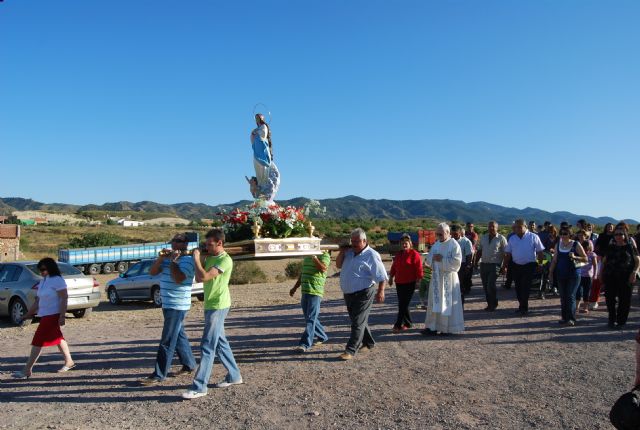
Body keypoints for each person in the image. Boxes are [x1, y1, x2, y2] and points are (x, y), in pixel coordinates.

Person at [182, 229, 242, 400]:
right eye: (206, 244)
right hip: (210, 304)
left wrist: (196, 259)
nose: (207, 247)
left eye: (210, 244)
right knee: (221, 342)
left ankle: (200, 386)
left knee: (208, 345)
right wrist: (198, 257)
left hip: (219, 305)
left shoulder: (224, 260)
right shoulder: (210, 257)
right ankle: (234, 375)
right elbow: (198, 272)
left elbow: (203, 277)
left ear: (220, 243)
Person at [141, 233, 197, 385]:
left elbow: (179, 279)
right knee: (179, 335)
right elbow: (152, 272)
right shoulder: (167, 258)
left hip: (177, 304)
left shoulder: (188, 260)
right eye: (173, 240)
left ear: (185, 244)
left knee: (167, 340)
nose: (174, 243)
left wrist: (173, 262)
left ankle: (159, 374)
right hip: (168, 303)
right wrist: (161, 259)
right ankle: (189, 364)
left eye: (178, 241)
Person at [12, 258, 75, 379]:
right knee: (58, 338)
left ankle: (27, 370)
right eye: (40, 270)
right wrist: (28, 313)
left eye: (43, 269)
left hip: (53, 315)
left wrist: (62, 315)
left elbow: (64, 298)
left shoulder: (57, 280)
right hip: (45, 314)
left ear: (50, 268)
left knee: (38, 341)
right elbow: (38, 300)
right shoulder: (44, 281)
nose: (41, 272)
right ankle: (69, 361)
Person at [336, 228, 387, 360]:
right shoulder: (349, 252)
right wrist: (342, 252)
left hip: (364, 293)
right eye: (352, 241)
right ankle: (369, 343)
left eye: (357, 241)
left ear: (365, 241)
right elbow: (338, 265)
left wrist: (381, 291)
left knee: (357, 322)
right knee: (357, 320)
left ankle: (350, 350)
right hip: (349, 293)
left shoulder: (372, 255)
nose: (353, 244)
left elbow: (381, 276)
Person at [422, 223, 464, 335]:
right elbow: (429, 259)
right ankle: (432, 327)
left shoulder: (454, 245)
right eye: (437, 234)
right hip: (436, 279)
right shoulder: (436, 245)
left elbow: (457, 264)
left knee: (446, 303)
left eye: (440, 234)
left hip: (449, 280)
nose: (438, 236)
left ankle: (448, 329)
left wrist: (442, 260)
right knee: (434, 302)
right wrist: (430, 260)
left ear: (447, 233)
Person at [289, 251, 331, 351]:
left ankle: (305, 344)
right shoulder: (307, 256)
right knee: (310, 318)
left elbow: (323, 268)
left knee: (310, 318)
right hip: (305, 291)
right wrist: (295, 288)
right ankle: (323, 336)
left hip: (315, 292)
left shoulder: (325, 255)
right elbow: (303, 273)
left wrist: (315, 258)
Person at [503, 219, 545, 316]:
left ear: (525, 227)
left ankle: (524, 308)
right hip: (516, 266)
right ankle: (521, 306)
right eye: (515, 227)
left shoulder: (533, 237)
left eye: (519, 227)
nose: (517, 229)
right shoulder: (512, 238)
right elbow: (508, 254)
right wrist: (504, 266)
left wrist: (540, 264)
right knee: (518, 287)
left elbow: (540, 252)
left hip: (529, 266)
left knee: (525, 287)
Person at [601, 227, 640, 329]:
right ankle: (611, 319)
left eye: (620, 234)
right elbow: (604, 262)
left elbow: (637, 261)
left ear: (625, 235)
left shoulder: (630, 247)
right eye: (616, 234)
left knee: (625, 299)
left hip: (626, 276)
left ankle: (621, 321)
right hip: (610, 276)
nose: (618, 236)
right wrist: (601, 274)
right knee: (609, 299)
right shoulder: (610, 247)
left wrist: (634, 272)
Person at [548, 227, 588, 326]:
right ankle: (564, 317)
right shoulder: (558, 245)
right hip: (560, 274)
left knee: (570, 296)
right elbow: (554, 260)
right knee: (563, 297)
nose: (563, 235)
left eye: (565, 233)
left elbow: (586, 259)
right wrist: (550, 272)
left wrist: (575, 257)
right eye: (561, 233)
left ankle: (571, 318)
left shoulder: (576, 244)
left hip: (574, 274)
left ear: (570, 234)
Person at [388, 234, 423, 332]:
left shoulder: (414, 254)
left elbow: (419, 268)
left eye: (406, 243)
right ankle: (408, 323)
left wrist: (418, 281)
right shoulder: (398, 254)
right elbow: (394, 267)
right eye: (402, 243)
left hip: (410, 283)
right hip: (399, 282)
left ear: (410, 243)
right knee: (403, 304)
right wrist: (391, 277)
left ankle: (398, 325)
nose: (404, 245)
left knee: (403, 304)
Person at [475, 221, 507, 311]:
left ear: (497, 228)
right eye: (489, 226)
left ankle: (493, 304)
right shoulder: (484, 237)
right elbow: (479, 251)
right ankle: (490, 303)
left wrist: (504, 267)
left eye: (493, 227)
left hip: (495, 265)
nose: (491, 228)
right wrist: (475, 263)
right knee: (485, 286)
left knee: (490, 285)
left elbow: (506, 254)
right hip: (484, 265)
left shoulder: (501, 238)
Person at [576, 231, 598, 314]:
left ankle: (585, 307)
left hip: (588, 276)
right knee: (578, 291)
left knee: (586, 292)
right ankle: (577, 307)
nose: (585, 249)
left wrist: (595, 274)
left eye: (586, 248)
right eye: (583, 248)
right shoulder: (579, 255)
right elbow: (577, 265)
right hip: (580, 275)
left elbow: (595, 265)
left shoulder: (592, 255)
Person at [451, 225, 473, 297]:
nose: (453, 236)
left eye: (455, 234)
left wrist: (468, 265)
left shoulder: (466, 241)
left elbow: (469, 255)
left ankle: (460, 299)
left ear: (460, 233)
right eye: (452, 234)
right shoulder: (449, 241)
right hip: (451, 265)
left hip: (462, 265)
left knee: (459, 283)